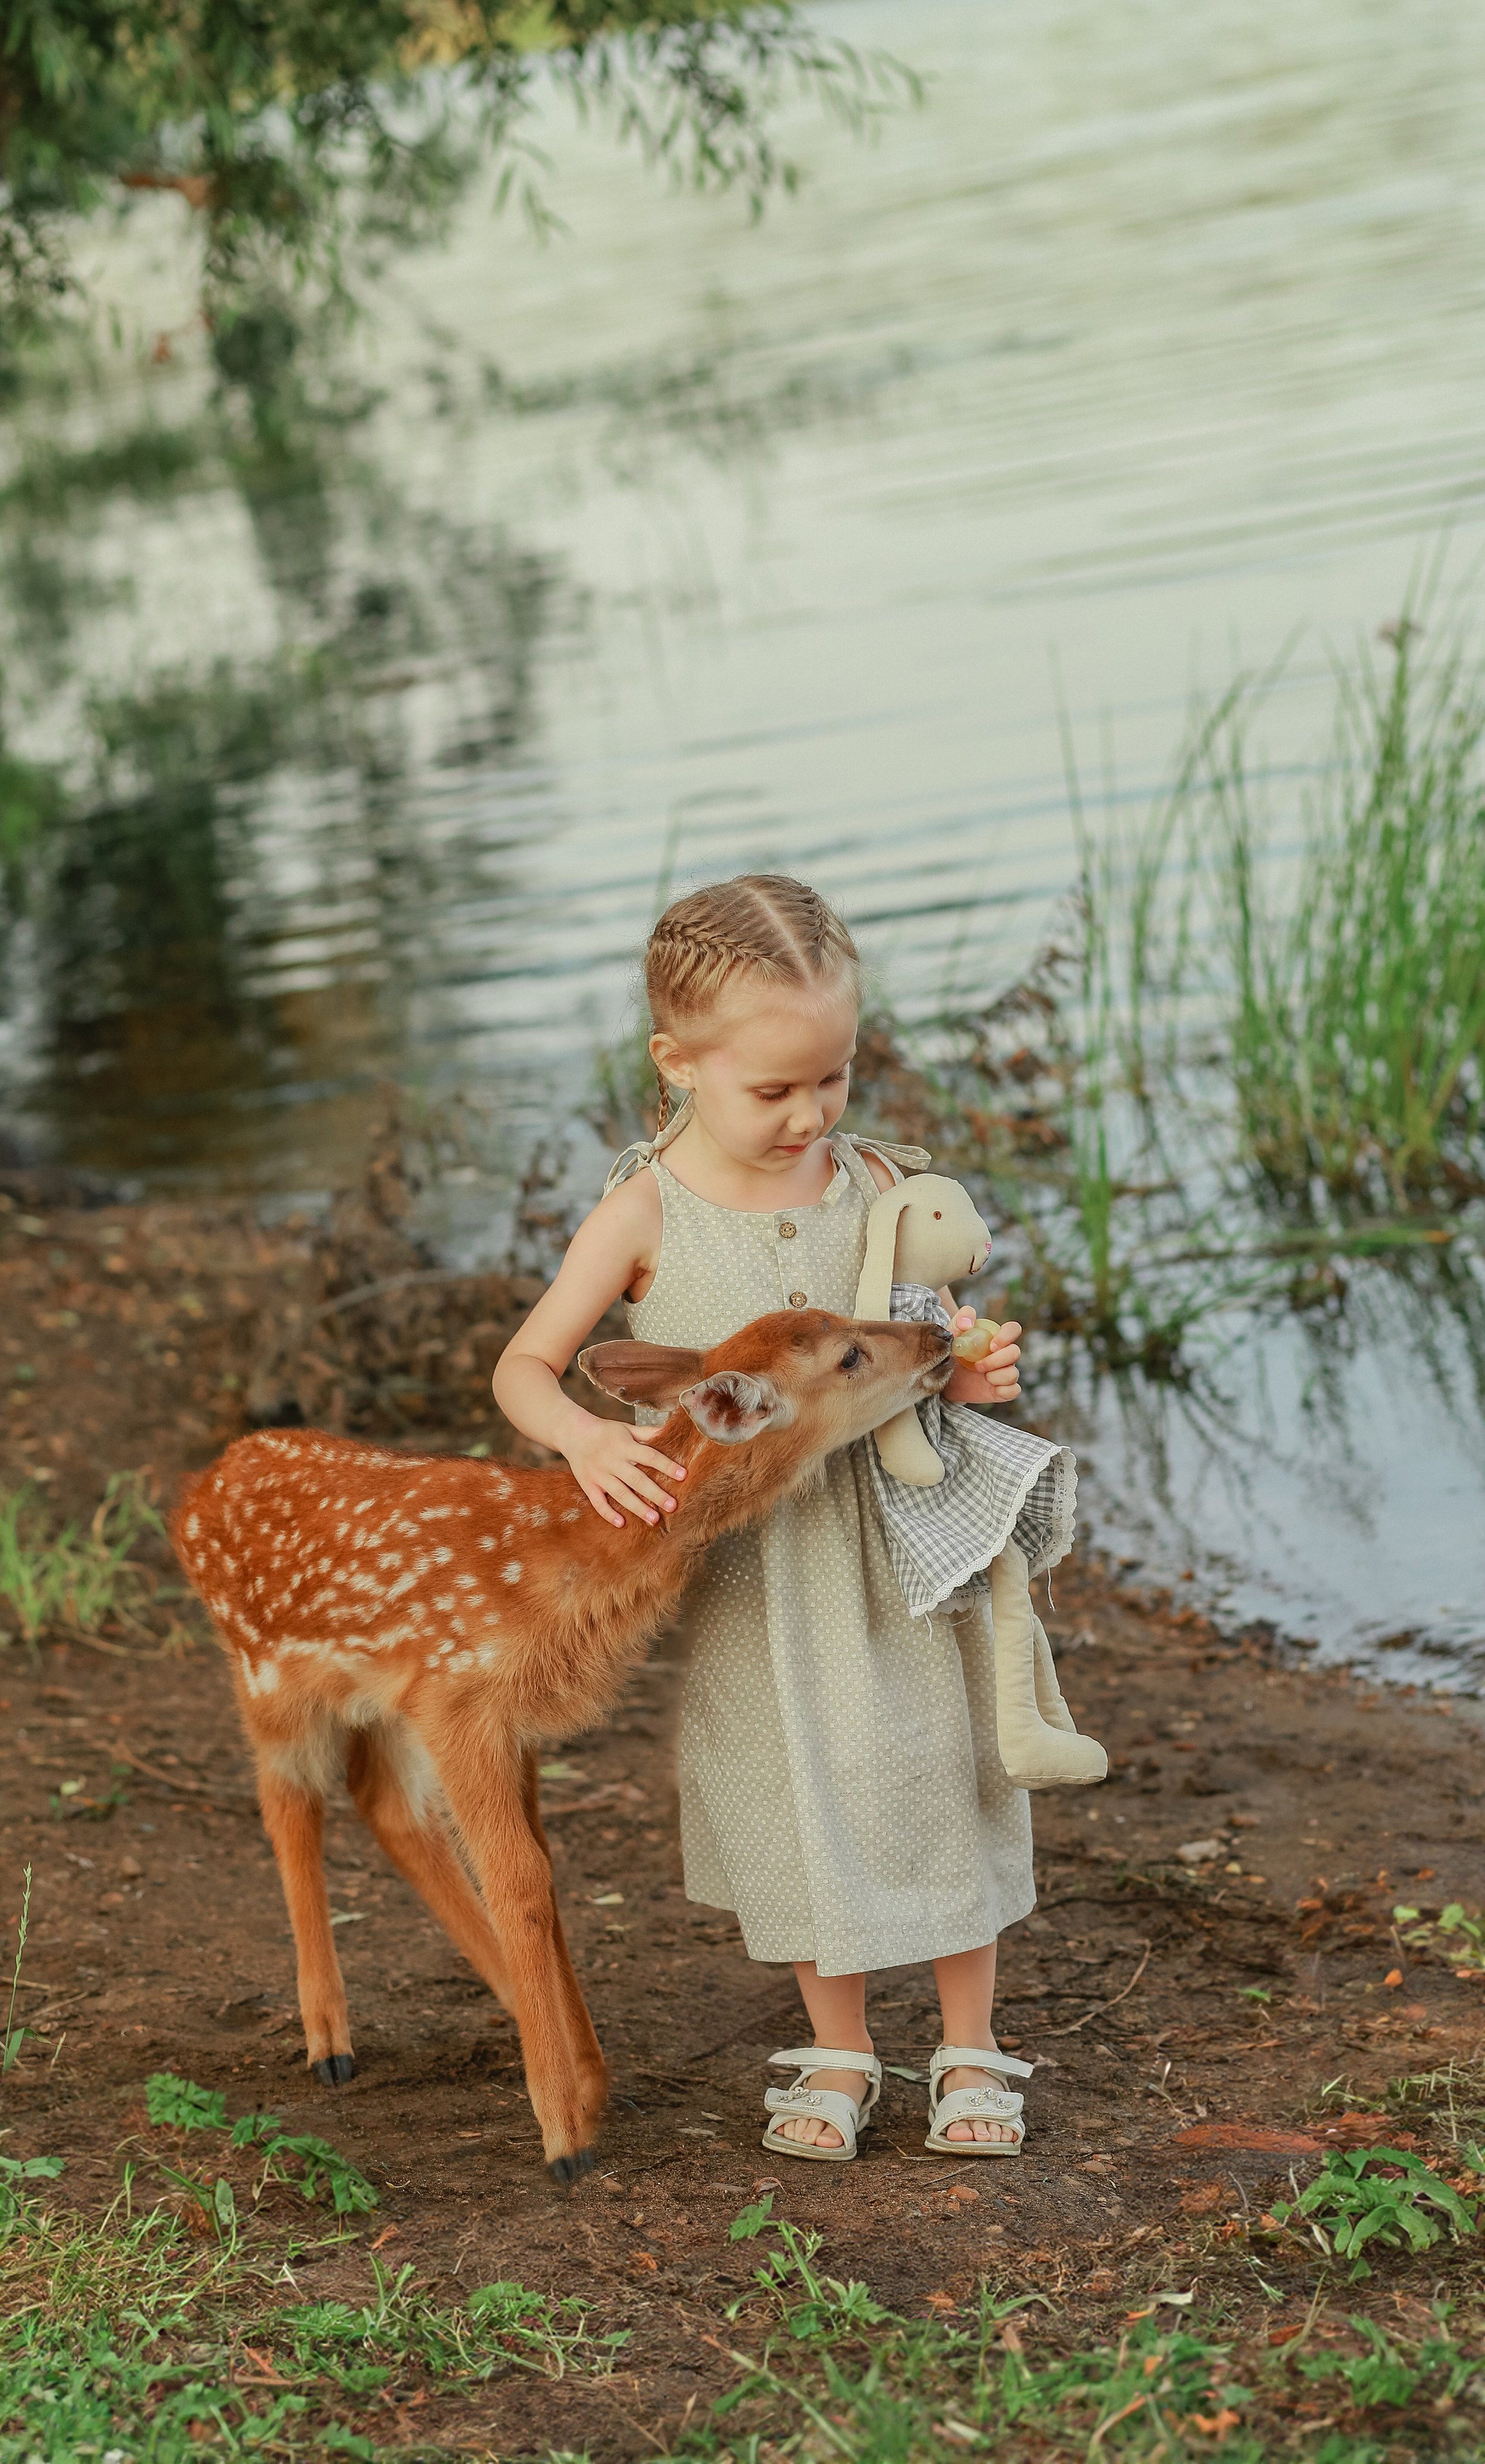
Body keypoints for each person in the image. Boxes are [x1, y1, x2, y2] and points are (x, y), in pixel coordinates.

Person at [492, 875, 1039, 2161]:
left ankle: (969, 2046)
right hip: (754, 1574)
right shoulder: (643, 1213)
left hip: (896, 1547)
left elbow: (925, 1344)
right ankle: (839, 2045)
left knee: (936, 1762)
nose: (809, 1116)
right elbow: (527, 1366)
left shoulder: (877, 1183)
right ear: (676, 1063)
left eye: (833, 1078)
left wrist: (971, 1369)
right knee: (790, 1783)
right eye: (773, 1090)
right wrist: (581, 1434)